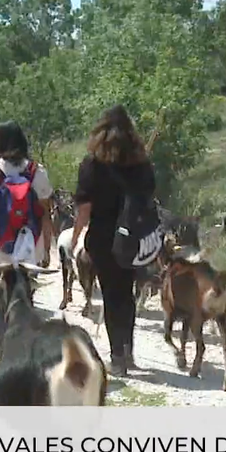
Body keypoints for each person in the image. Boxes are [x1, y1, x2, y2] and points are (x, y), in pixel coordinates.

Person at [69, 105, 157, 377]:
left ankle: (117, 355)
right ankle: (128, 349)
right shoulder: (141, 163)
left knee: (110, 294)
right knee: (127, 292)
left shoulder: (92, 164)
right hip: (132, 236)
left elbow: (84, 208)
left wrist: (75, 237)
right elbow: (149, 196)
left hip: (103, 237)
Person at [0, 121, 55, 270]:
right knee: (26, 291)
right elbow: (45, 215)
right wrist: (46, 250)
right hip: (31, 249)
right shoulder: (37, 171)